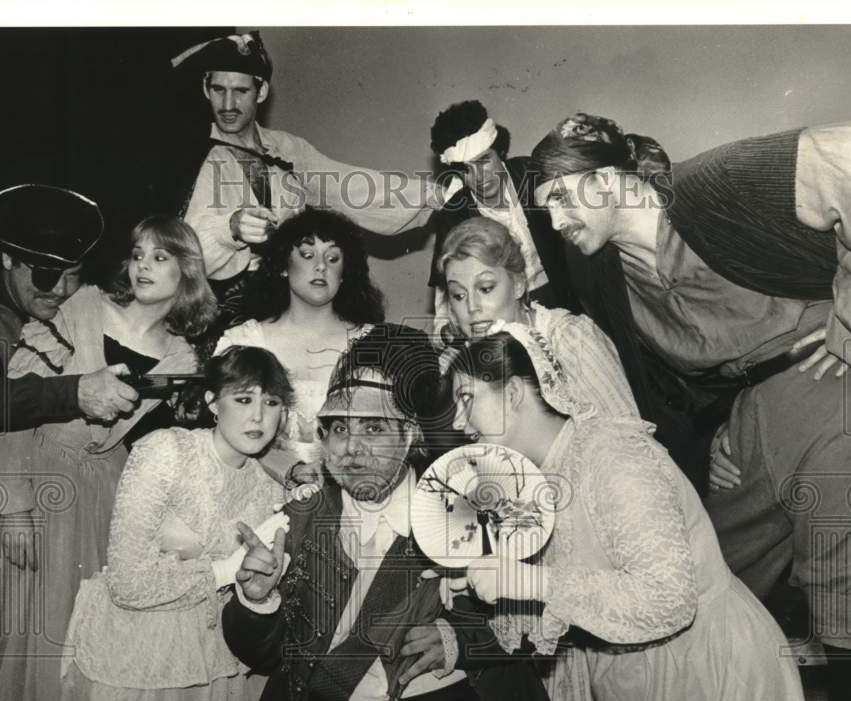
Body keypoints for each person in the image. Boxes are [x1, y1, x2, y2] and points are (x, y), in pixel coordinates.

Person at [531, 113, 851, 701]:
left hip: (838, 391)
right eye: (545, 207)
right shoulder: (607, 276)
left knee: (844, 613)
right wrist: (720, 429)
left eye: (562, 195)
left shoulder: (708, 189)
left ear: (611, 176)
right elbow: (666, 383)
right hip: (753, 416)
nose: (556, 220)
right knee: (707, 587)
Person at [445, 330, 820, 701]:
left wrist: (528, 581)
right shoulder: (539, 476)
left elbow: (667, 597)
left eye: (466, 398)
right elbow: (568, 597)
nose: (458, 422)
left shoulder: (613, 456)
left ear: (512, 393)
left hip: (709, 677)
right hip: (631, 687)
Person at [221, 323, 579, 701]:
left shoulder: (469, 506)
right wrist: (256, 601)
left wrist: (457, 638)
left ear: (410, 434)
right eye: (339, 428)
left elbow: (534, 623)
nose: (352, 449)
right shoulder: (301, 518)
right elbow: (263, 656)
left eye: (374, 427)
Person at [0, 215, 214, 701]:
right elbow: (12, 404)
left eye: (160, 257)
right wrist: (13, 500)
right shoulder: (83, 308)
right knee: (11, 653)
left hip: (101, 505)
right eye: (138, 254)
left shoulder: (185, 360)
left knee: (68, 659)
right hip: (29, 478)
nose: (142, 266)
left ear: (189, 273)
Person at [58, 346, 297, 701]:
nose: (258, 416)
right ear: (212, 402)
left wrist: (257, 584)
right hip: (135, 662)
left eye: (272, 402)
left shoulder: (270, 490)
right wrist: (222, 572)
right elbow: (127, 582)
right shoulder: (166, 450)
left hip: (212, 673)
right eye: (243, 399)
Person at [173, 32, 441, 334]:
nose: (228, 104)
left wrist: (434, 195)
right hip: (225, 318)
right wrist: (231, 228)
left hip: (290, 305)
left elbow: (346, 186)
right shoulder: (194, 155)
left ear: (261, 92)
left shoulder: (286, 149)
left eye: (241, 91)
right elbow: (183, 256)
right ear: (205, 89)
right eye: (218, 90)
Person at [0, 184, 140, 527]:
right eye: (47, 275)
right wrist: (74, 392)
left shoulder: (83, 308)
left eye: (73, 276)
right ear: (7, 259)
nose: (61, 291)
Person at [214, 208, 384, 488]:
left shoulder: (372, 344)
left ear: (344, 274)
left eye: (333, 258)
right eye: (307, 255)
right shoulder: (243, 341)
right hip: (254, 489)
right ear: (283, 265)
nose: (321, 267)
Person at [437, 216, 649, 429]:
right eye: (458, 295)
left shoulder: (571, 340)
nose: (472, 307)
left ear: (518, 284)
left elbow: (628, 436)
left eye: (485, 288)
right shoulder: (463, 367)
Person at [428, 101, 577, 339]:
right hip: (501, 315)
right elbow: (447, 294)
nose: (478, 176)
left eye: (484, 160)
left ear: (500, 153)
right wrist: (445, 333)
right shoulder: (453, 215)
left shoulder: (534, 177)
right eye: (466, 169)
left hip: (567, 297)